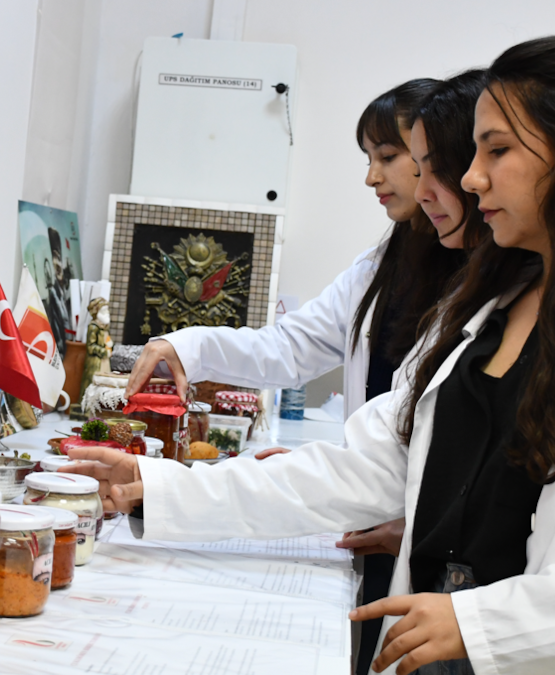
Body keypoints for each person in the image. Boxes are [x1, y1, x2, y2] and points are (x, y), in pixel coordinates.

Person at [67, 33, 555, 674]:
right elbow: (361, 468)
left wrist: (483, 624)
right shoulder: (486, 307)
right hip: (431, 654)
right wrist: (159, 487)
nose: (471, 178)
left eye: (496, 150)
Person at [122, 73, 488, 675]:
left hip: (420, 538)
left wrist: (416, 516)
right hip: (378, 515)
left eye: (392, 157)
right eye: (372, 159)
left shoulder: (483, 287)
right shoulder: (384, 263)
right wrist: (187, 345)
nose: (373, 177)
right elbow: (291, 348)